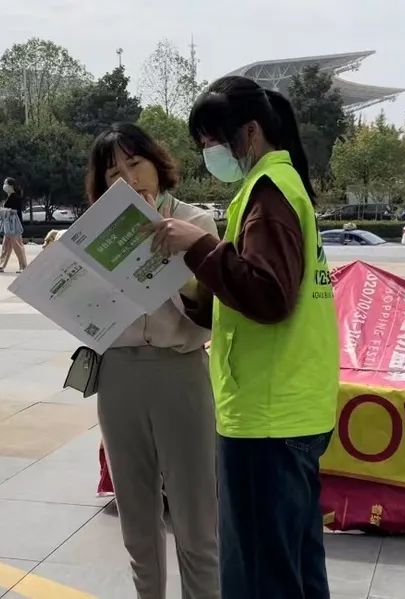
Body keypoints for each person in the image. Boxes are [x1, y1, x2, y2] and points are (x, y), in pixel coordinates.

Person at [147, 76, 340, 599]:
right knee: (294, 569)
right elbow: (254, 295)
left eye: (213, 141)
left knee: (258, 577)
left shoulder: (268, 193)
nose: (209, 153)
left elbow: (268, 296)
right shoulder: (283, 186)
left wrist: (200, 246)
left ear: (250, 132)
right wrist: (194, 280)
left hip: (266, 416)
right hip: (293, 406)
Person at [85, 122, 220, 599]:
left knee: (196, 521)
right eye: (113, 173)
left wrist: (181, 258)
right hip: (118, 376)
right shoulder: (95, 235)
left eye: (135, 163)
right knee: (137, 524)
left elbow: (212, 312)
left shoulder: (196, 223)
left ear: (157, 165)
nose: (128, 179)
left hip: (179, 373)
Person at [0, 177, 27, 273]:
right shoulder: (10, 196)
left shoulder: (15, 197)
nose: (4, 186)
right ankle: (1, 265)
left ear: (11, 186)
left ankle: (23, 266)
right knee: (6, 246)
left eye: (5, 183)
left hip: (14, 225)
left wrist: (3, 210)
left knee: (17, 245)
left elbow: (15, 211)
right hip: (8, 224)